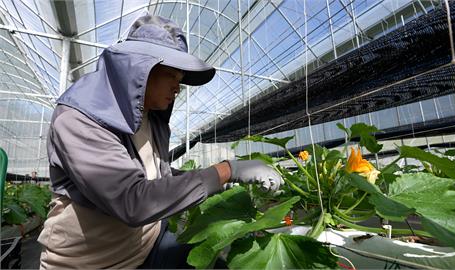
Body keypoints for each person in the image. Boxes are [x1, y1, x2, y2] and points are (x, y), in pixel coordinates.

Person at [37, 15, 283, 269]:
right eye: (172, 76)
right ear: (140, 68)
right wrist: (226, 170)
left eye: (180, 80)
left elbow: (157, 177)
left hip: (146, 246)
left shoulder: (147, 117)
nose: (178, 88)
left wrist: (223, 182)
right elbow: (133, 200)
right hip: (92, 263)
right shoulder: (79, 118)